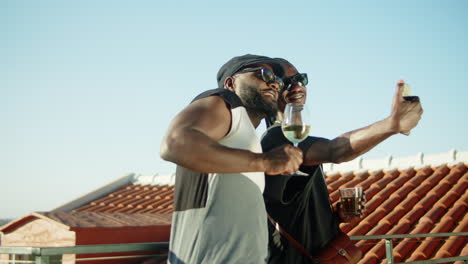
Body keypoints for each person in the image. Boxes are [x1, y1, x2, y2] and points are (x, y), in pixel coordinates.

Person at [261, 58, 423, 263]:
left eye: (300, 79)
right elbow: (335, 150)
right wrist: (391, 125)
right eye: (286, 81)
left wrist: (336, 215)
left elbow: (292, 212)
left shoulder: (295, 139)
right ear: (272, 90)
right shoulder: (276, 138)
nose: (296, 86)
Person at [160, 54, 304, 264]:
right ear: (231, 82)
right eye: (264, 74)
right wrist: (264, 162)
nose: (274, 83)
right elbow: (175, 143)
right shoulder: (224, 101)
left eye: (278, 81)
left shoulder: (247, 136)